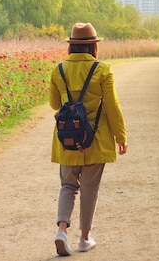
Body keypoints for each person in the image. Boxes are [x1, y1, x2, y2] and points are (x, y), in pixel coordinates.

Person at [49, 22, 128, 256]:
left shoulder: (59, 69)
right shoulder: (102, 70)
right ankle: (84, 238)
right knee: (89, 189)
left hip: (67, 140)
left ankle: (62, 230)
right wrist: (121, 136)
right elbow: (112, 106)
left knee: (67, 185)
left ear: (71, 45)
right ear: (94, 46)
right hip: (96, 138)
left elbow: (55, 104)